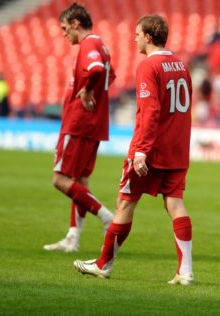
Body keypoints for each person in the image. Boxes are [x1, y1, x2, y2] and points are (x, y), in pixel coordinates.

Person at [74, 15, 194, 285]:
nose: (135, 38)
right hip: (176, 151)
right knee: (175, 204)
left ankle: (103, 264)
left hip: (150, 152)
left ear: (149, 37)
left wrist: (141, 151)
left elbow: (150, 112)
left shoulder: (149, 67)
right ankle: (185, 271)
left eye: (138, 33)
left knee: (125, 203)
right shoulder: (181, 66)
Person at [44, 3, 115, 253]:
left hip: (78, 122)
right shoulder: (102, 45)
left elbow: (96, 69)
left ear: (76, 23)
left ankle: (108, 218)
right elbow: (110, 75)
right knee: (81, 182)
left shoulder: (89, 44)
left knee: (59, 179)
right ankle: (73, 238)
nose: (64, 34)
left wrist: (85, 90)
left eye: (65, 28)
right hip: (94, 124)